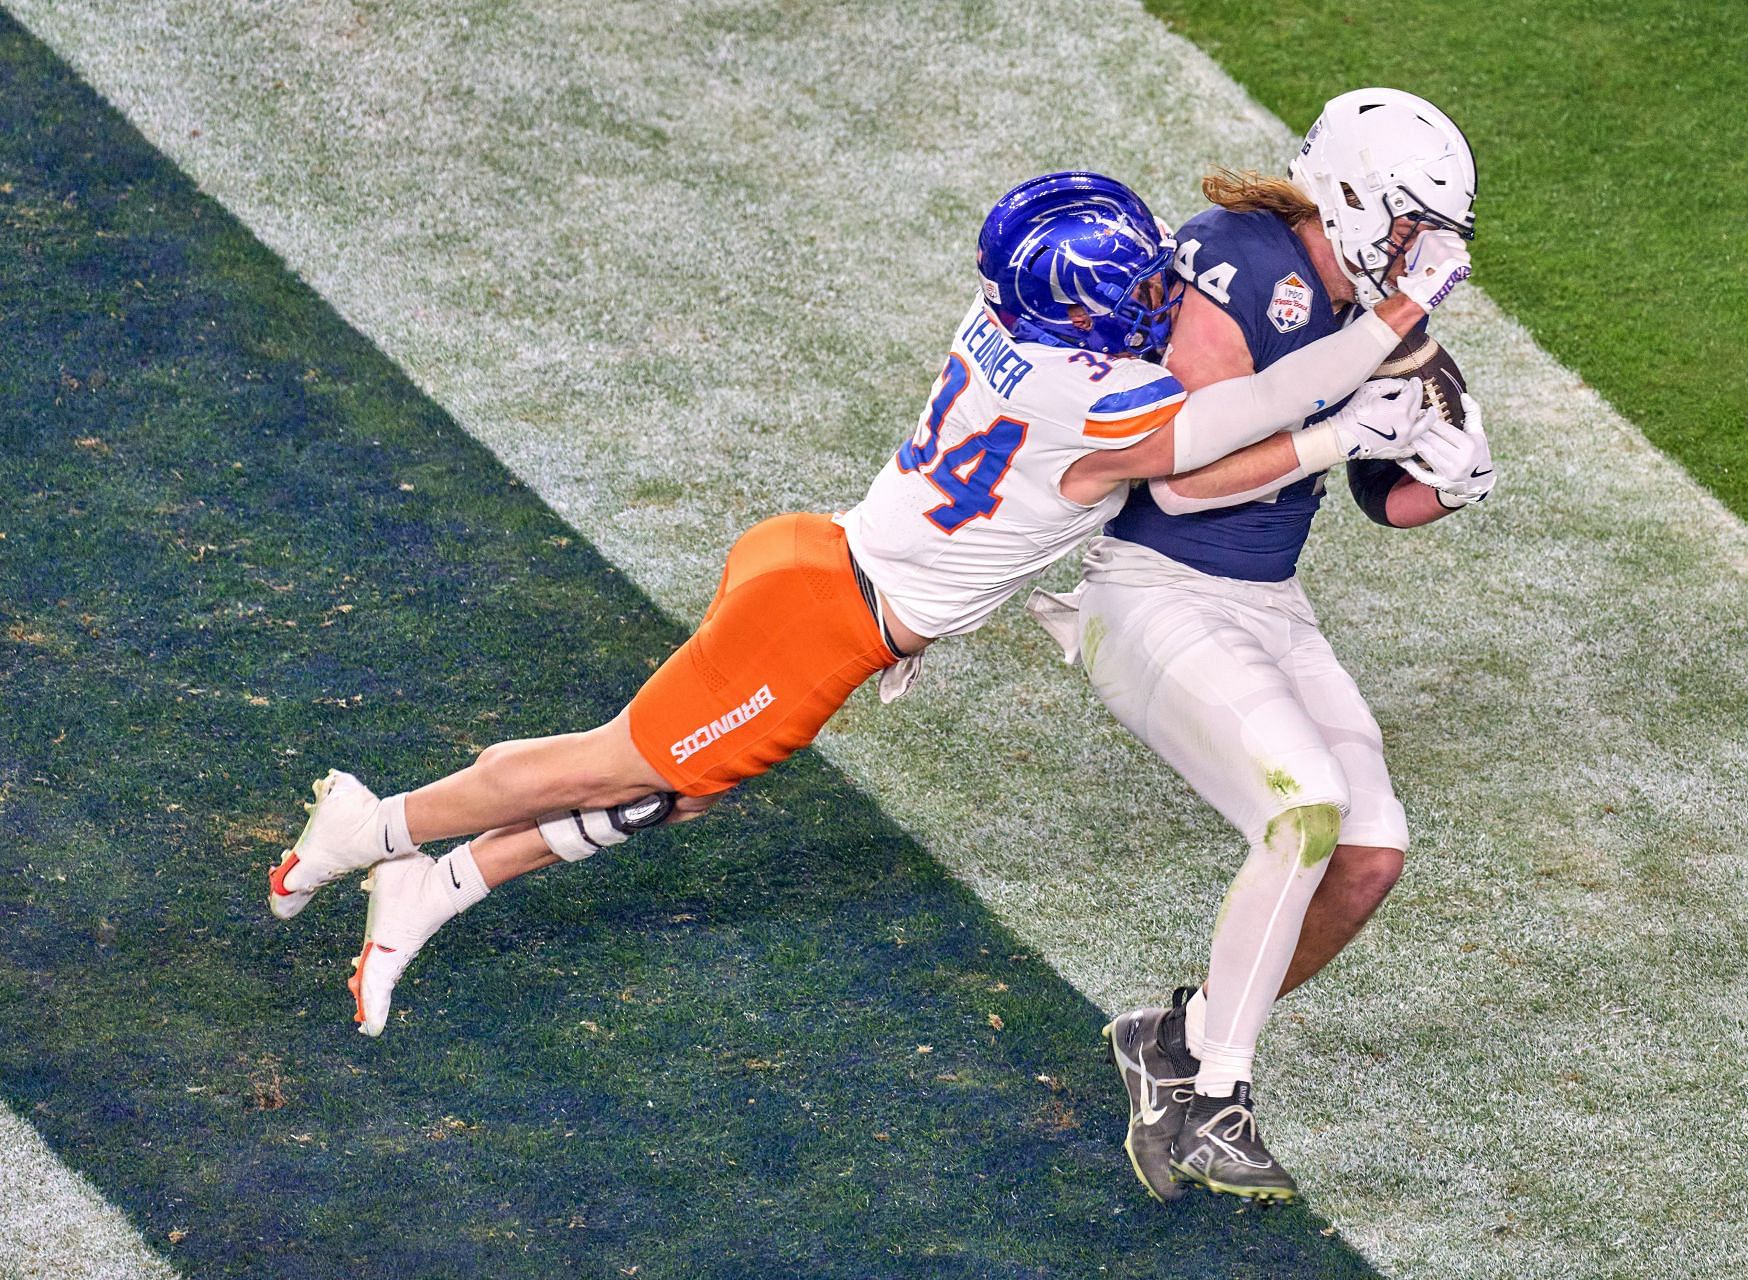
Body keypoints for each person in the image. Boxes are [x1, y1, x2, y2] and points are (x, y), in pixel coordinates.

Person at [266, 170, 1458, 1037]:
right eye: (1136, 282)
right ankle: (374, 832)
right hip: (827, 617)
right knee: (610, 770)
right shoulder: (1093, 404)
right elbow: (1236, 422)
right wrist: (1382, 356)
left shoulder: (1009, 326)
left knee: (658, 794)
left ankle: (436, 883)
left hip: (832, 565)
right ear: (1088, 306)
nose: (1158, 293)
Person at [1040, 88, 1493, 1204]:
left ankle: (1176, 1037)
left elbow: (1386, 497)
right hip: (1151, 587)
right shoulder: (1232, 264)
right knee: (1304, 809)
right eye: (1406, 226)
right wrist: (1339, 427)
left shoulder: (1376, 311)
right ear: (1345, 194)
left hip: (1266, 599)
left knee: (1370, 852)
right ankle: (1214, 1096)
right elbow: (1180, 484)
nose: (1418, 255)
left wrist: (1456, 479)